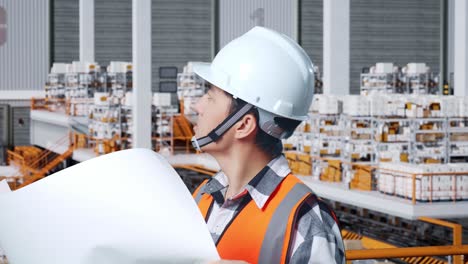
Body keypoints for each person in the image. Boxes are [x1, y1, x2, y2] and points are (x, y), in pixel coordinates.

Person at [190, 27, 345, 264]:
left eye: (210, 97)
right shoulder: (203, 196)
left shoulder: (306, 221)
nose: (197, 106)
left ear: (243, 124)